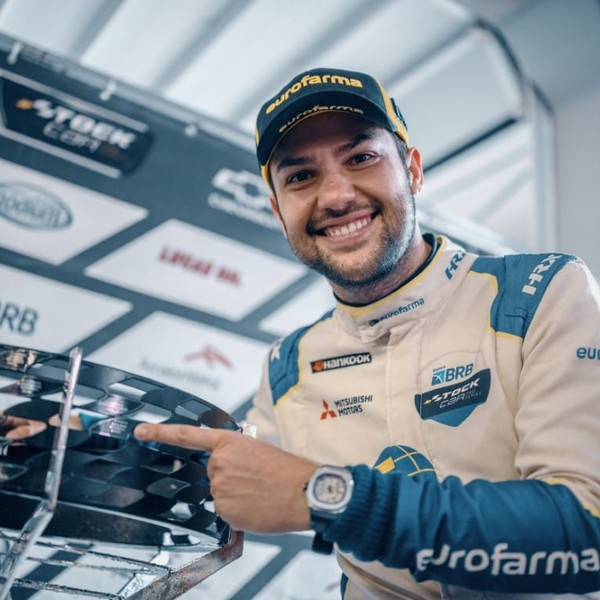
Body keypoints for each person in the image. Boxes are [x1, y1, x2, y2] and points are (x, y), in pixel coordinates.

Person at [135, 68, 600, 599]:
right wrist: (82, 445)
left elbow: (589, 527)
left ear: (413, 171)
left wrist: (328, 497)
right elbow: (217, 476)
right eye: (300, 176)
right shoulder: (289, 363)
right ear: (278, 211)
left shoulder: (540, 291)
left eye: (360, 158)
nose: (336, 196)